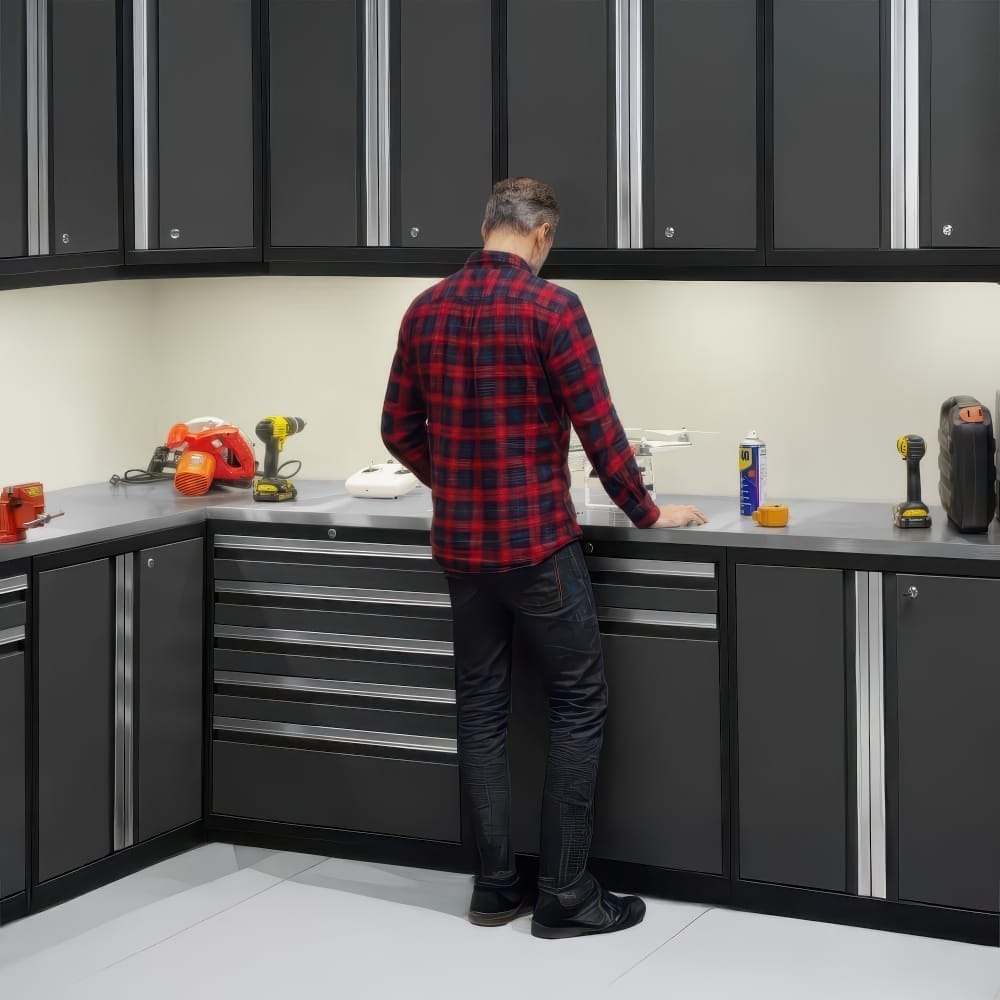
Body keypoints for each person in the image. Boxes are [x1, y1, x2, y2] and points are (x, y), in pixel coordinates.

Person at [381, 177, 707, 940]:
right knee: (578, 703)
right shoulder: (552, 308)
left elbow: (398, 429)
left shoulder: (424, 309)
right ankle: (565, 891)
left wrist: (455, 481)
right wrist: (649, 510)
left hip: (462, 553)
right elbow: (599, 429)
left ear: (490, 225)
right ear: (541, 236)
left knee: (483, 710)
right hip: (536, 548)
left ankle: (496, 885)